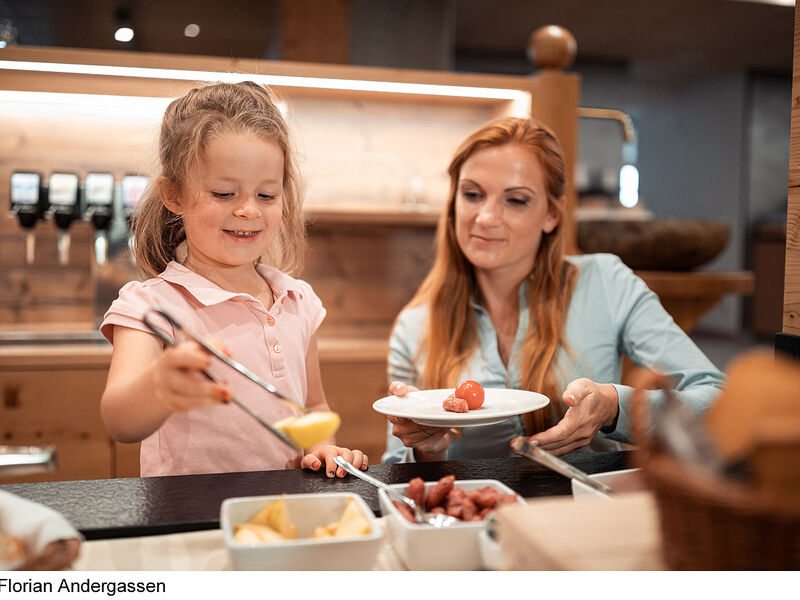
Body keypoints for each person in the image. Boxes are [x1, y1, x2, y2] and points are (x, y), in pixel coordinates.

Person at [383, 116, 724, 463]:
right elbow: (395, 469)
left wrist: (614, 407)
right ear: (454, 202)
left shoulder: (606, 282)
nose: (486, 217)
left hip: (586, 509)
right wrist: (425, 450)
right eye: (472, 194)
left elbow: (718, 398)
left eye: (516, 200)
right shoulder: (414, 327)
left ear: (552, 215)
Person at [100, 81, 368, 478]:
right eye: (224, 194)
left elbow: (312, 408)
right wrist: (158, 388)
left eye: (266, 195)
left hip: (284, 516)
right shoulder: (147, 307)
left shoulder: (298, 301)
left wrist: (324, 450)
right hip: (191, 525)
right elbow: (120, 420)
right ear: (174, 195)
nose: (247, 210)